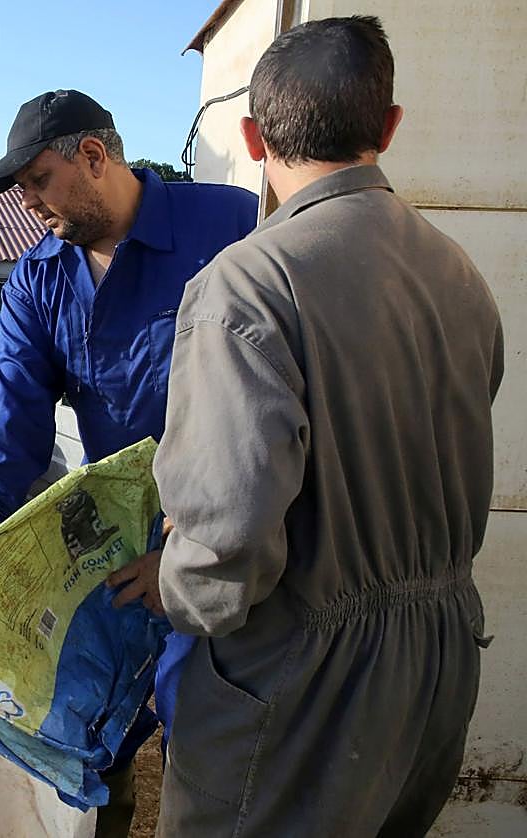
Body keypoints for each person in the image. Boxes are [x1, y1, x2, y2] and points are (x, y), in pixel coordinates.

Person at [120, 16, 502, 836]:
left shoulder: (250, 285)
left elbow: (227, 543)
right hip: (438, 668)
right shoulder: (459, 274)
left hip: (303, 687)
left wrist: (173, 582)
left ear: (252, 138)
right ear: (388, 126)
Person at [0, 88, 258, 832]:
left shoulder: (230, 227)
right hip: (117, 536)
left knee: (206, 722)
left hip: (224, 530)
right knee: (94, 722)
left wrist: (195, 551)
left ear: (93, 156)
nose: (28, 204)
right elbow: (14, 414)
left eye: (38, 181)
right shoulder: (40, 279)